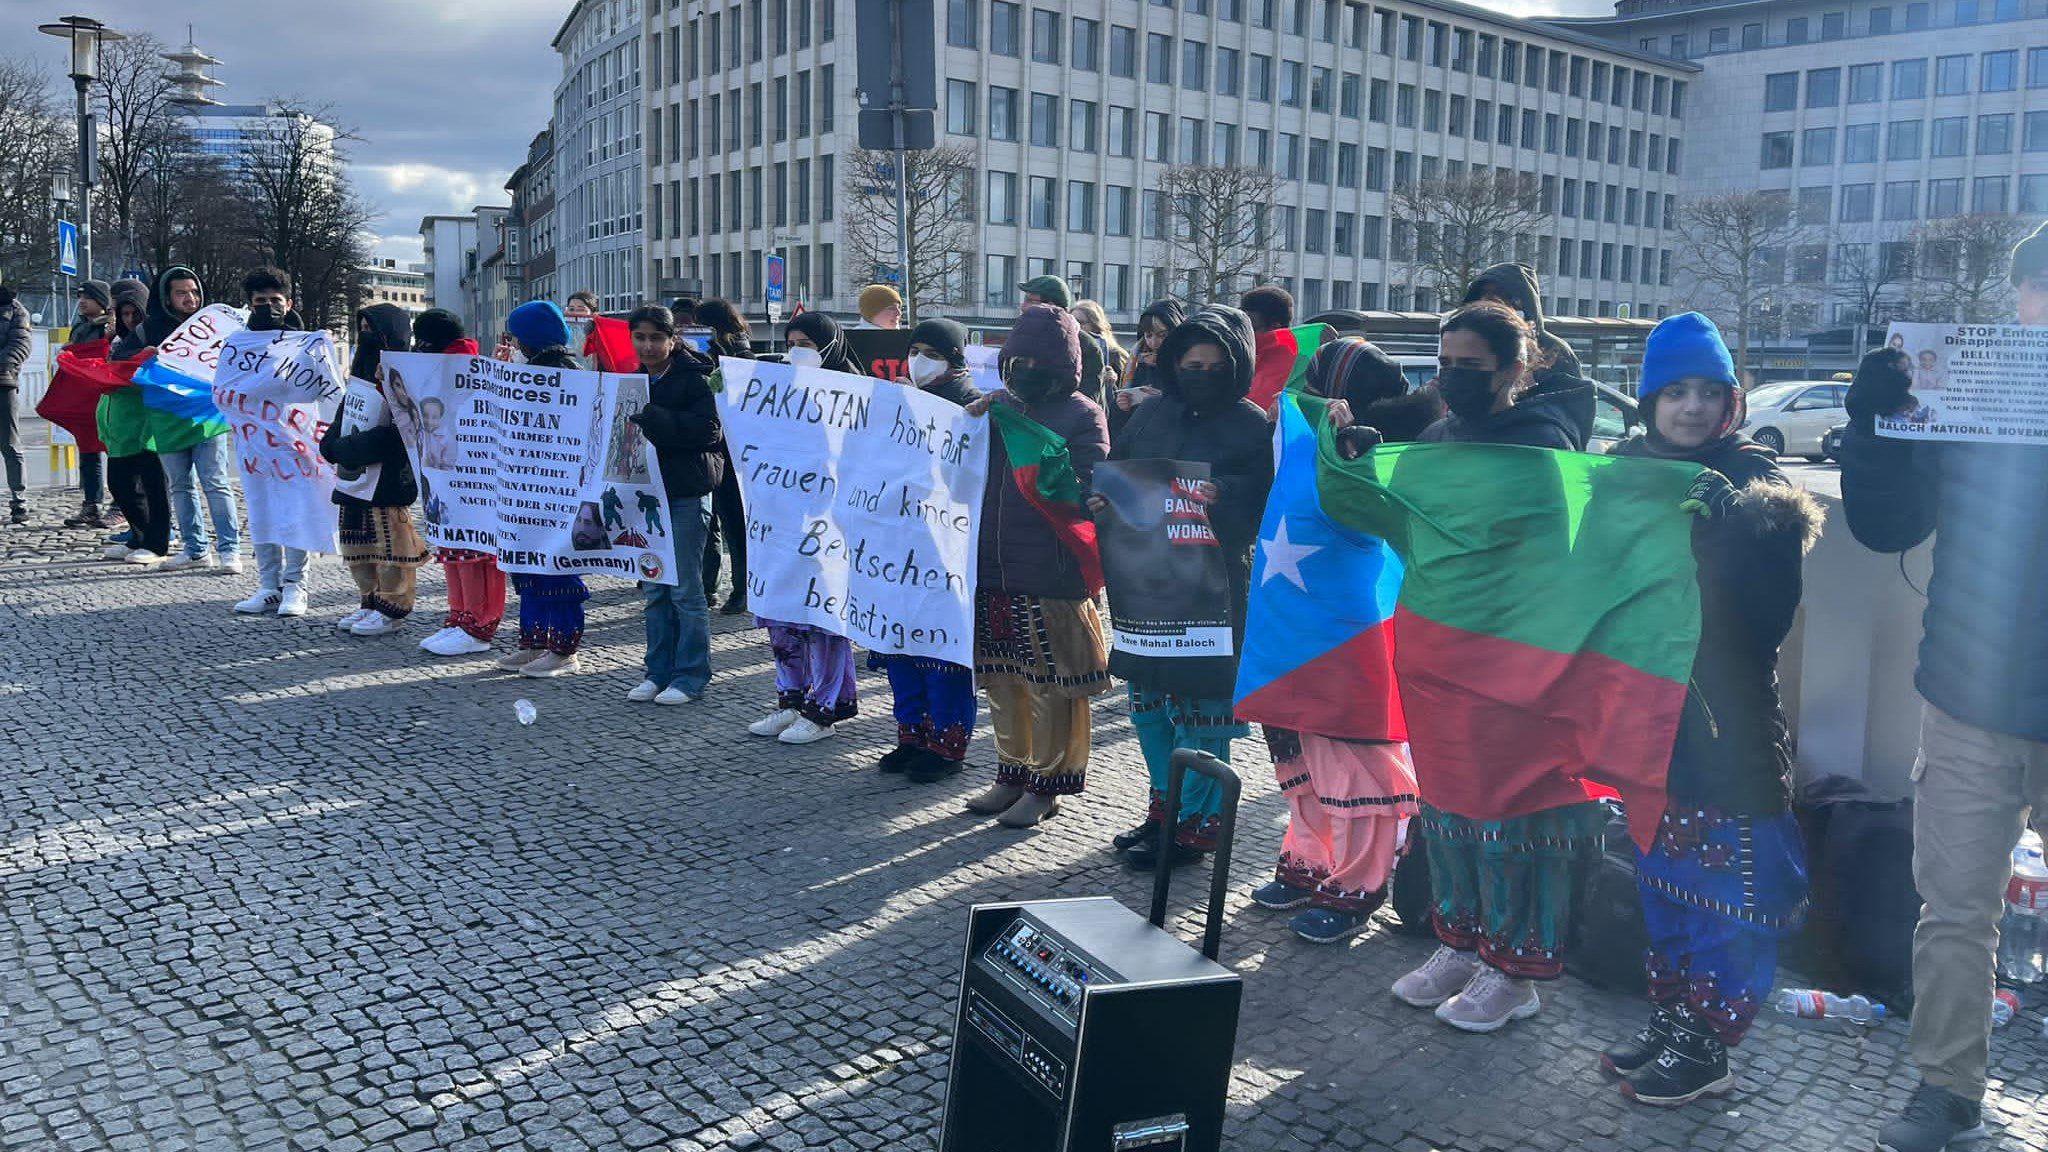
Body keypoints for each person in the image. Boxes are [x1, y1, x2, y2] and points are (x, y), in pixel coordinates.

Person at [1845, 222, 2048, 1152]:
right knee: (1955, 907)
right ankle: (1947, 1088)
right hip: (1967, 698)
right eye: (2041, 287)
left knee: (1958, 908)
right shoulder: (1963, 395)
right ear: (2018, 298)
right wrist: (1873, 426)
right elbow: (1888, 527)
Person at [1599, 312, 1820, 1107]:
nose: (1691, 408)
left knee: (1732, 898)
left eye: (1708, 392)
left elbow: (1765, 623)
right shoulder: (1624, 478)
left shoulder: (1759, 488)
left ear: (1730, 400)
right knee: (1665, 884)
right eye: (1675, 391)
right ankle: (1672, 1021)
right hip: (1650, 729)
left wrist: (1730, 528)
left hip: (1730, 736)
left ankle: (1709, 1043)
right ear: (1649, 400)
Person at [1391, 301, 1602, 1033]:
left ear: (1515, 368)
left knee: (1512, 812)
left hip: (1508, 663)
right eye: (1444, 364)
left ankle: (1515, 969)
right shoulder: (1441, 435)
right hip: (1438, 657)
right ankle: (1461, 942)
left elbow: (1558, 560)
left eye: (1469, 367)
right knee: (1450, 808)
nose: (1451, 379)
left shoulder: (1541, 445)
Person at [1250, 337, 1427, 941]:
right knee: (1298, 749)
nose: (1312, 398)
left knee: (1354, 758)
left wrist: (1354, 455)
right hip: (1291, 622)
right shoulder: (1300, 435)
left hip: (1343, 632)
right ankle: (1310, 858)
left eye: (1324, 387)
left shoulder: (1381, 451)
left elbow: (1378, 519)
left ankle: (1362, 880)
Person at [1098, 305, 1274, 870]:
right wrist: (1097, 498)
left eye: (1214, 364)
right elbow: (1118, 470)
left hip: (1211, 589)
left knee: (1203, 713)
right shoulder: (1153, 415)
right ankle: (1163, 806)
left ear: (1237, 365)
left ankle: (1198, 824)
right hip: (1146, 582)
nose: (1199, 372)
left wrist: (1223, 492)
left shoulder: (1250, 424)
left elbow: (1261, 497)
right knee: (1149, 705)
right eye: (1190, 362)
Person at [961, 307, 1111, 821]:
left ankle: (1044, 783)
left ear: (1061, 364)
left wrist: (1023, 431)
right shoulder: (993, 407)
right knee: (1002, 678)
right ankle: (1010, 771)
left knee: (1051, 684)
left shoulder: (1082, 413)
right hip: (993, 566)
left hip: (1052, 570)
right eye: (1014, 359)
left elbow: (1087, 485)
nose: (1023, 368)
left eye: (1034, 360)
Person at [863, 318, 991, 786]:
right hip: (899, 542)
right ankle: (911, 734)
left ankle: (947, 743)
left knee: (941, 651)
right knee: (902, 646)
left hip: (945, 547)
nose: (919, 359)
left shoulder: (968, 403)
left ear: (954, 358)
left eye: (930, 352)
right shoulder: (904, 396)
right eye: (914, 349)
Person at [746, 313, 866, 744]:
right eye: (792, 341)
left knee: (822, 618)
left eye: (808, 344)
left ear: (829, 346)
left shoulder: (855, 390)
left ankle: (824, 708)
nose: (798, 351)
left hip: (828, 524)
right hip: (782, 519)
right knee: (782, 612)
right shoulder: (781, 388)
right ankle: (790, 699)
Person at [622, 305, 722, 706]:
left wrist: (655, 417)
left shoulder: (697, 378)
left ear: (672, 339)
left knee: (684, 590)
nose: (647, 345)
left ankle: (691, 675)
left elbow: (709, 432)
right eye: (640, 337)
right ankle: (657, 671)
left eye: (655, 338)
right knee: (655, 589)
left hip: (685, 492)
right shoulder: (631, 380)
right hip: (646, 496)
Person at [494, 301, 592, 678]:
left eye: (518, 336)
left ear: (533, 337)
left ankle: (564, 648)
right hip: (530, 489)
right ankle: (534, 642)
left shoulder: (563, 371)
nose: (515, 343)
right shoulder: (535, 368)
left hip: (557, 493)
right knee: (528, 566)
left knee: (557, 570)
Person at [320, 304, 430, 638]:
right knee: (357, 544)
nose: (366, 334)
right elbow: (346, 411)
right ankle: (368, 600)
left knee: (390, 546)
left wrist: (353, 448)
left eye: (373, 329)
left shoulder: (407, 375)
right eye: (362, 327)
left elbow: (402, 429)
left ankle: (391, 607)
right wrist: (332, 442)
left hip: (388, 476)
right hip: (354, 478)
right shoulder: (361, 368)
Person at [404, 309, 502, 658]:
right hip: (446, 475)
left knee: (475, 553)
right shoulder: (435, 366)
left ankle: (479, 623)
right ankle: (460, 617)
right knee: (452, 549)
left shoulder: (463, 367)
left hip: (471, 478)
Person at [146, 266, 243, 575]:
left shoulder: (216, 327)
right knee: (180, 485)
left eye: (194, 292)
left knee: (215, 482)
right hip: (166, 416)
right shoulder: (148, 329)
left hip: (205, 414)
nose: (190, 298)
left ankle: (230, 549)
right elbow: (121, 357)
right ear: (166, 297)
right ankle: (195, 549)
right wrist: (143, 354)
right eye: (181, 293)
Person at [231, 267, 315, 617]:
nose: (267, 307)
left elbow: (312, 390)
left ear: (289, 303)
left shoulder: (306, 343)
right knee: (261, 510)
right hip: (254, 441)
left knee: (295, 511)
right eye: (260, 302)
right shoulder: (237, 344)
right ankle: (269, 585)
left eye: (274, 301)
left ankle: (296, 585)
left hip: (294, 440)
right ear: (250, 305)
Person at [1461, 262, 1593, 439]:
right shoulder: (1469, 343)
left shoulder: (1554, 350)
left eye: (1501, 294)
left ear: (1524, 302)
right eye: (1484, 294)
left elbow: (1569, 410)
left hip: (1530, 444)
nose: (1490, 301)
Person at [100, 279, 171, 564]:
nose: (129, 320)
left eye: (135, 314)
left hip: (145, 423)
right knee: (120, 484)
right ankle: (138, 535)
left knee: (152, 485)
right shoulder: (117, 342)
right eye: (125, 314)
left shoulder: (153, 340)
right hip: (119, 425)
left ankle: (157, 542)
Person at [694, 299, 752, 614]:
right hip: (720, 448)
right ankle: (719, 587)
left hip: (729, 451)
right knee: (717, 521)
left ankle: (742, 589)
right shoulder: (730, 349)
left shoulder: (735, 355)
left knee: (733, 524)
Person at [61, 280, 116, 529]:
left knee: (115, 451)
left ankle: (120, 503)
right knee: (87, 450)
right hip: (83, 397)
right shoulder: (80, 327)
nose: (82, 301)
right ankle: (91, 504)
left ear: (102, 301)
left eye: (88, 297)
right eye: (80, 296)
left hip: (104, 396)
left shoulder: (111, 328)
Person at [1112, 299, 1184, 441]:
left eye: (1162, 335)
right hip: (1141, 441)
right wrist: (1121, 405)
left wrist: (1163, 400)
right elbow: (1118, 424)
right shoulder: (1136, 362)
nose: (1154, 342)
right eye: (1149, 335)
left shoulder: (1187, 364)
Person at [1239, 285, 1297, 411]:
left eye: (1252, 329)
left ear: (1275, 327)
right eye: (1243, 327)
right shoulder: (1241, 357)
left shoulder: (1300, 364)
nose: (1246, 334)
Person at [0, 284, 30, 525]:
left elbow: (21, 344)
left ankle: (18, 501)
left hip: (3, 382)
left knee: (10, 444)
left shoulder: (15, 309)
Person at [782, 311, 861, 374]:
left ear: (831, 346)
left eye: (804, 344)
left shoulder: (856, 386)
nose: (796, 350)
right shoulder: (784, 381)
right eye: (791, 345)